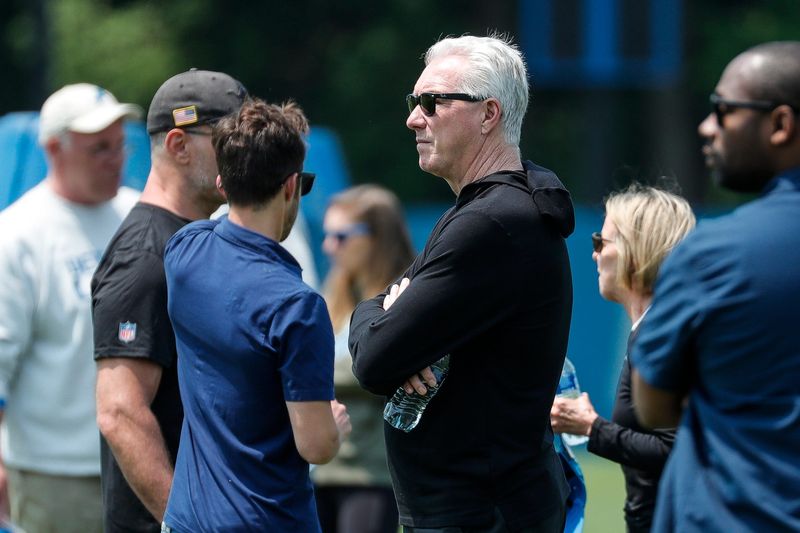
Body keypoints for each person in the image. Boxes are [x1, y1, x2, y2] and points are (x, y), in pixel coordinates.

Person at [349, 34, 574, 532]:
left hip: (481, 513)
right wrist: (383, 316)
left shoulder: (491, 222)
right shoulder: (494, 208)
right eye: (414, 101)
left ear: (489, 114)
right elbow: (384, 332)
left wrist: (379, 318)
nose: (414, 118)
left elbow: (374, 360)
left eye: (433, 102)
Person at [630, 41, 800, 532]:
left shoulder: (713, 254)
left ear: (781, 124)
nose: (707, 127)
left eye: (723, 110)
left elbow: (653, 404)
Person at [162, 98, 351, 532]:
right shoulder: (297, 306)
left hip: (186, 519)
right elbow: (316, 446)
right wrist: (335, 427)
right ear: (290, 186)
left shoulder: (183, 250)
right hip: (267, 520)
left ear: (222, 183)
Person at [92, 69, 247, 532]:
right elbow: (120, 412)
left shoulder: (197, 237)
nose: (245, 154)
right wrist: (184, 523)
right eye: (229, 140)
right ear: (179, 145)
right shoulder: (144, 256)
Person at [0, 83, 140, 532]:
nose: (114, 159)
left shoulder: (139, 216)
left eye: (119, 145)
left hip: (143, 459)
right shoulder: (19, 235)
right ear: (53, 149)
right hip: (55, 473)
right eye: (99, 148)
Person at [550, 184, 695, 532]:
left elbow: (679, 450)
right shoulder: (658, 328)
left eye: (601, 242)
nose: (594, 254)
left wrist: (591, 427)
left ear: (636, 251)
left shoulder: (663, 335)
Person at [312, 185, 414, 533]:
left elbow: (377, 367)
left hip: (372, 474)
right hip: (320, 469)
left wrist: (303, 373)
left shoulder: (406, 296)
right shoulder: (334, 295)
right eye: (327, 235)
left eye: (341, 236)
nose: (329, 246)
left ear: (377, 238)